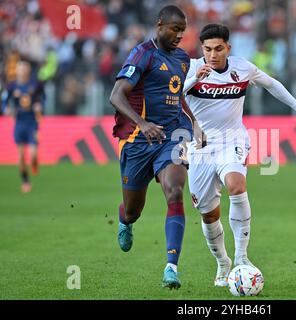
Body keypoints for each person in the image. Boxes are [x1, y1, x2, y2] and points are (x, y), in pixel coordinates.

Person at [183, 24, 296, 286]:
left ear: (228, 48)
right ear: (202, 49)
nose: (213, 54)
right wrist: (195, 78)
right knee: (208, 214)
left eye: (218, 48)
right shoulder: (191, 68)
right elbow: (173, 95)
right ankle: (223, 263)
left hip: (232, 140)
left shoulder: (241, 67)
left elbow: (271, 84)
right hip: (199, 147)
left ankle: (242, 257)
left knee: (236, 184)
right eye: (207, 49)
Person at [109, 5, 205, 289]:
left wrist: (195, 124)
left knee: (175, 191)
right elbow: (116, 96)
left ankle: (171, 268)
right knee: (133, 210)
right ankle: (124, 219)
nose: (179, 36)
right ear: (159, 25)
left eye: (182, 32)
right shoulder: (143, 54)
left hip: (172, 137)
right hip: (139, 140)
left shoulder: (182, 59)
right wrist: (143, 122)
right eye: (175, 30)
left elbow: (178, 96)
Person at [2, 59, 44, 193]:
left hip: (32, 122)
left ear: (28, 70)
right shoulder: (11, 86)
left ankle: (34, 162)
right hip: (19, 122)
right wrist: (6, 109)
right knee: (20, 156)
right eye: (19, 68)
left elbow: (42, 97)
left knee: (32, 155)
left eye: (24, 68)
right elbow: (4, 101)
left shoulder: (35, 84)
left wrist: (39, 106)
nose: (21, 70)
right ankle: (25, 181)